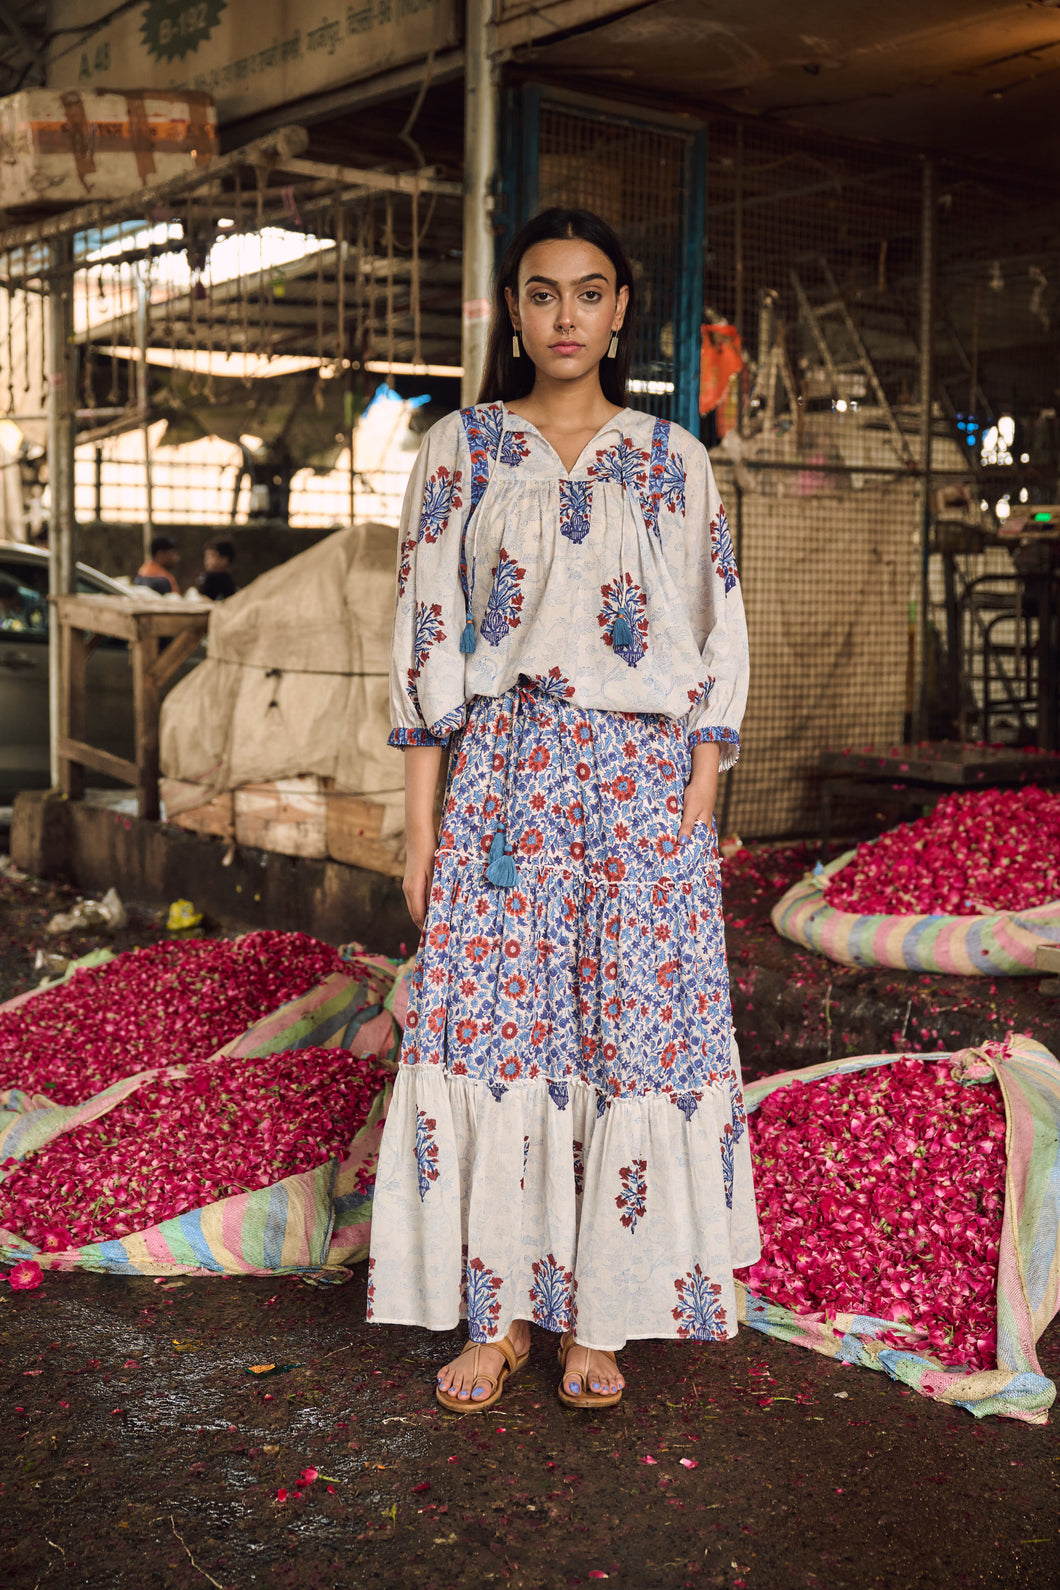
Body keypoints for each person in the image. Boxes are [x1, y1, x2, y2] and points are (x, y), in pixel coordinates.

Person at [367, 208, 758, 1413]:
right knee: (496, 1035)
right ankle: (502, 1317)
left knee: (624, 1038)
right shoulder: (460, 450)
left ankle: (605, 1316)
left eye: (590, 293)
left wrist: (697, 800)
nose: (567, 317)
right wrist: (421, 827)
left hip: (641, 789)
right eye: (543, 295)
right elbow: (425, 634)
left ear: (623, 307)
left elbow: (715, 629)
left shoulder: (672, 456)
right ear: (513, 311)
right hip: (502, 780)